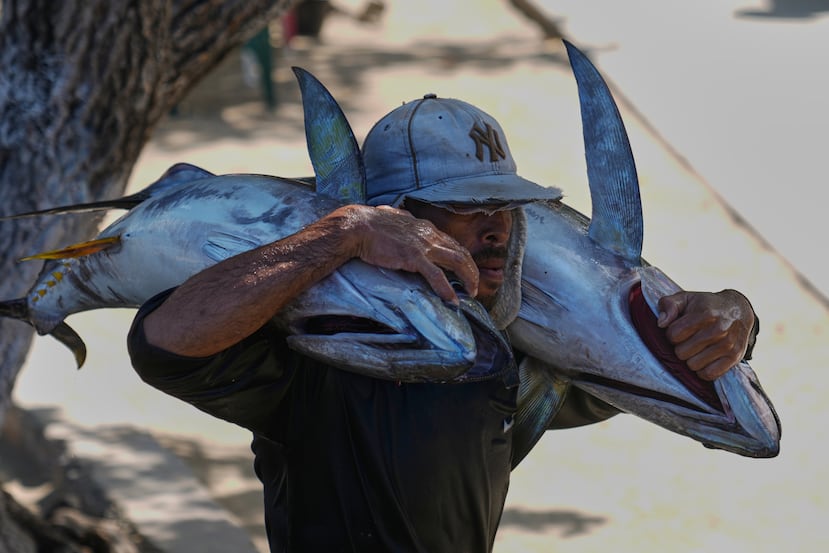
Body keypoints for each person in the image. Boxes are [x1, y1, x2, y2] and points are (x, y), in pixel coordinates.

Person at [127, 94, 758, 552]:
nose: (496, 228)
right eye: (462, 208)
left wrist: (733, 317)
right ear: (397, 219)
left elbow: (654, 368)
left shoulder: (507, 359)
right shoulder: (317, 349)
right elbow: (166, 341)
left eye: (506, 208)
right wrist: (340, 236)